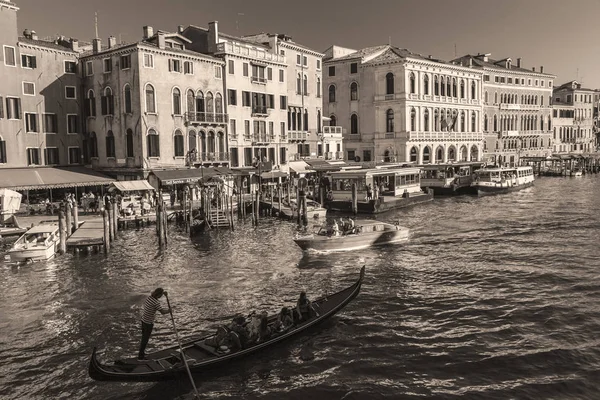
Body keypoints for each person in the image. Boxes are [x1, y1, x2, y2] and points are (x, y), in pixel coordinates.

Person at [138, 288, 171, 360]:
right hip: (148, 323)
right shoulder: (156, 302)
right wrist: (169, 311)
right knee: (145, 339)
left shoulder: (149, 297)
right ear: (159, 295)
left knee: (144, 338)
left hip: (143, 320)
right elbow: (163, 312)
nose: (161, 296)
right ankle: (141, 357)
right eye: (161, 295)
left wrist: (164, 294)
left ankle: (142, 353)